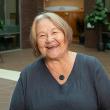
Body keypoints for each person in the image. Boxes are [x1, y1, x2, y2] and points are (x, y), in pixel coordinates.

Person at [9, 12, 110, 110]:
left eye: (54, 32)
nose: (49, 39)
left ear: (65, 34)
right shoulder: (27, 75)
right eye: (42, 35)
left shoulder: (91, 66)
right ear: (36, 43)